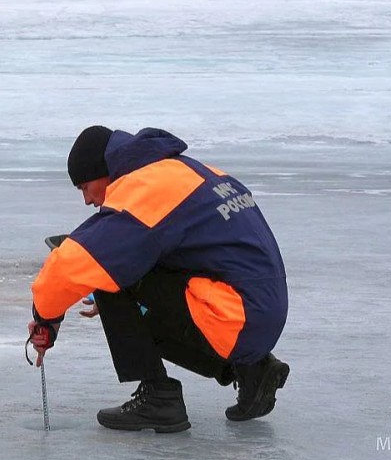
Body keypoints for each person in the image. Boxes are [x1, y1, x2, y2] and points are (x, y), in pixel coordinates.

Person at [28, 126, 289, 432]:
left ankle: (159, 397)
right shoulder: (184, 170)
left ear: (104, 171)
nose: (87, 200)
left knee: (110, 269)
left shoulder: (146, 187)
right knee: (121, 268)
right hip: (259, 312)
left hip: (235, 316)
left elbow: (69, 267)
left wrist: (45, 319)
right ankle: (253, 370)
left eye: (85, 187)